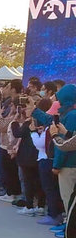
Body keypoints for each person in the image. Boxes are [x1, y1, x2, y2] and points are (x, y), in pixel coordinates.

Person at [32, 84, 76, 215]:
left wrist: (56, 165)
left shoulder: (71, 116)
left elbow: (65, 145)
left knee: (68, 198)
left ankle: (69, 228)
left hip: (68, 166)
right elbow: (51, 121)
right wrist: (34, 110)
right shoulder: (67, 113)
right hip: (67, 164)